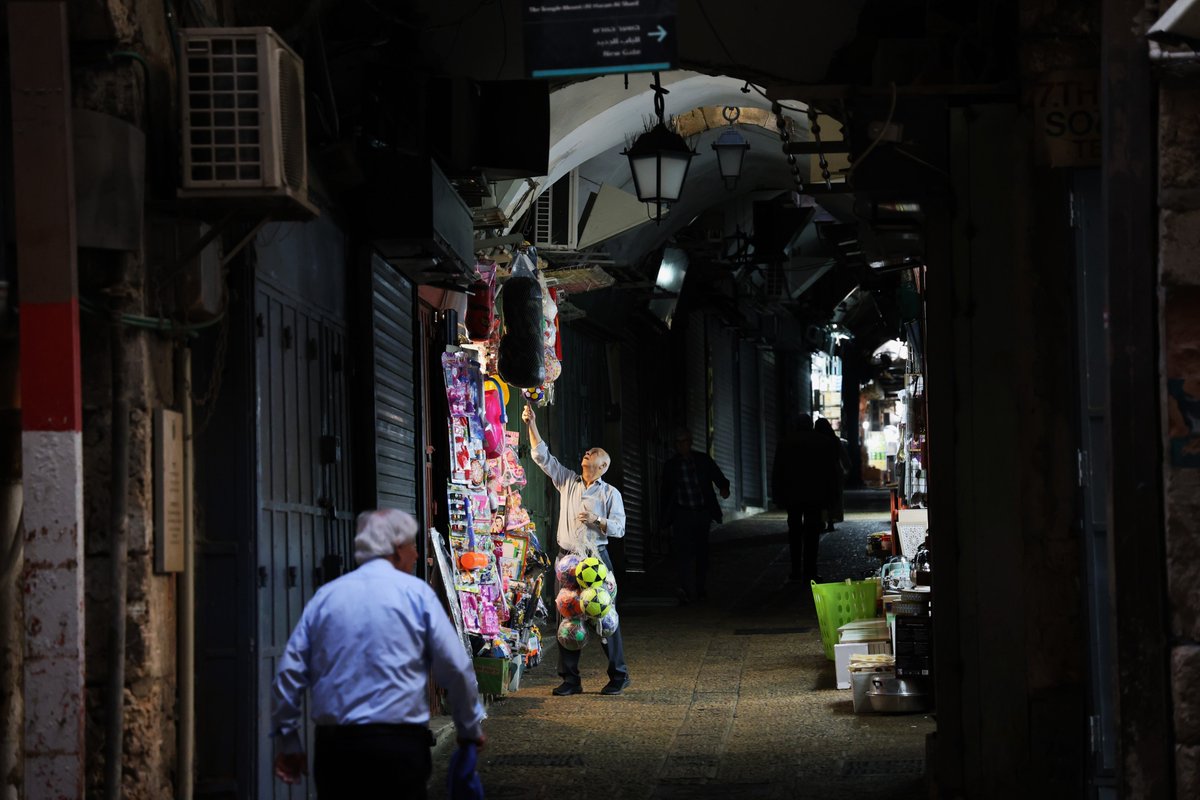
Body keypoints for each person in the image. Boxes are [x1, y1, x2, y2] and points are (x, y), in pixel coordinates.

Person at [271, 508, 486, 799]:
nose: (417, 555)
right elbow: (457, 669)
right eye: (412, 546)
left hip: (337, 751)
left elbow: (288, 673)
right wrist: (468, 728)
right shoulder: (417, 595)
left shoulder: (327, 597)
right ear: (396, 550)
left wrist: (288, 740)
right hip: (399, 749)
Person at [522, 403, 631, 697]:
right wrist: (531, 424)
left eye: (593, 453)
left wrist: (598, 521)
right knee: (567, 617)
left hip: (595, 560)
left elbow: (620, 528)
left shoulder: (610, 494)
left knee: (604, 617)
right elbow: (543, 457)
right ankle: (570, 679)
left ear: (603, 466)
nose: (587, 454)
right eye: (587, 452)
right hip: (567, 560)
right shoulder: (568, 481)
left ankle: (618, 675)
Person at [658, 428, 731, 603]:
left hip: (701, 512)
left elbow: (717, 476)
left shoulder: (702, 461)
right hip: (682, 514)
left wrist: (723, 487)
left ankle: (700, 587)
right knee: (683, 552)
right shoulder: (671, 466)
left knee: (701, 552)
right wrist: (664, 519)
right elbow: (665, 493)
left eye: (684, 442)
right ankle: (685, 587)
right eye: (678, 443)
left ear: (690, 443)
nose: (681, 446)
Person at [772, 416, 842, 583]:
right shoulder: (823, 442)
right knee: (812, 534)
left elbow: (778, 471)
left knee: (794, 534)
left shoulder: (785, 442)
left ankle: (795, 571)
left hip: (792, 495)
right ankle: (810, 571)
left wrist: (777, 495)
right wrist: (832, 496)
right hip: (815, 495)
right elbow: (831, 472)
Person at [814, 417, 852, 531]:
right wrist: (847, 469)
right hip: (834, 471)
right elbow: (844, 456)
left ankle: (820, 520)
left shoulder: (816, 440)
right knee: (833, 497)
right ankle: (831, 521)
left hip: (818, 472)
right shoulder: (834, 440)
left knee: (820, 498)